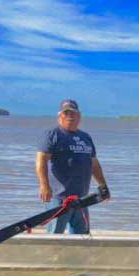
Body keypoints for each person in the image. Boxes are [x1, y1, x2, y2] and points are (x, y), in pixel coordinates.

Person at [35, 99, 110, 234]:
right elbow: (41, 161)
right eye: (66, 113)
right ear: (60, 116)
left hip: (82, 199)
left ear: (79, 116)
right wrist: (44, 186)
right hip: (59, 199)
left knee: (82, 238)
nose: (69, 116)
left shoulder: (85, 137)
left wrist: (103, 186)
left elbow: (94, 164)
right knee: (55, 236)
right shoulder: (53, 134)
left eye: (73, 113)